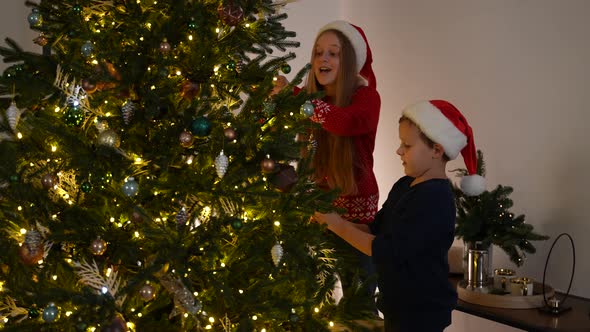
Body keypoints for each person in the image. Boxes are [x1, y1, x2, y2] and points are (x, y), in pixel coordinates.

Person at [313, 100, 486, 331]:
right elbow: (374, 230)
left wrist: (337, 225)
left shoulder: (434, 198)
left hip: (421, 313)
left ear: (436, 149)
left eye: (407, 145)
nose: (399, 150)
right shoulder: (405, 185)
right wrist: (331, 218)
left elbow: (385, 250)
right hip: (397, 306)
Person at [273, 20, 381, 313]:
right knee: (305, 297)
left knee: (359, 303)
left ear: (349, 61)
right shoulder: (312, 101)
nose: (323, 58)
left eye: (333, 53)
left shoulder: (366, 98)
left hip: (354, 216)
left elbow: (346, 123)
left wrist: (297, 99)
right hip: (316, 211)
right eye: (319, 52)